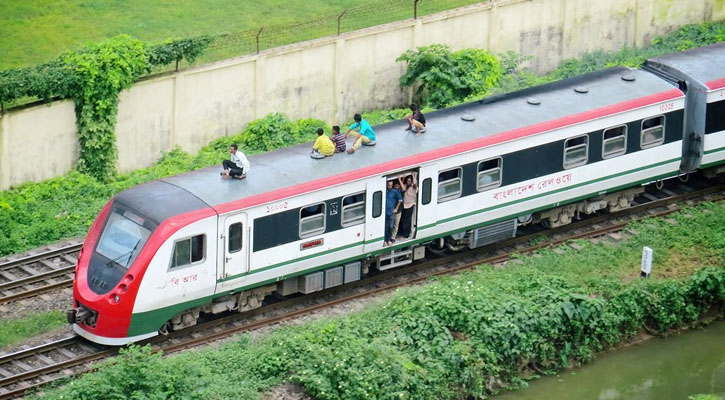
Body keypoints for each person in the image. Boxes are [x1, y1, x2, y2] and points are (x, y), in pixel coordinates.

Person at [398, 173, 418, 239]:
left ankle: (405, 234)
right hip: (405, 205)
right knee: (403, 220)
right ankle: (403, 233)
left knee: (406, 220)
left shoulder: (413, 186)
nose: (408, 182)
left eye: (410, 181)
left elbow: (415, 183)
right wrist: (401, 179)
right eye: (407, 181)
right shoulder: (406, 185)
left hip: (410, 205)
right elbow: (403, 188)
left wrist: (413, 176)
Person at [384, 180, 402, 247]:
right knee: (385, 227)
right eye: (388, 185)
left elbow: (400, 200)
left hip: (391, 212)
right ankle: (385, 240)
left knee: (391, 226)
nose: (389, 187)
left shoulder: (394, 191)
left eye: (391, 185)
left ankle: (389, 240)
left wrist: (396, 208)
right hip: (385, 212)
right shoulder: (384, 190)